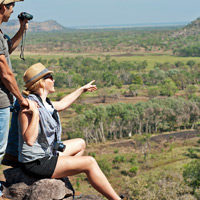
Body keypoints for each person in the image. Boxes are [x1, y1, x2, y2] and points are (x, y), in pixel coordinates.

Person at [18, 63, 123, 200]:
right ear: (41, 83)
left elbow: (62, 104)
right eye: (50, 77)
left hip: (47, 153)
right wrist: (36, 115)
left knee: (80, 143)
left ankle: (62, 174)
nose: (54, 80)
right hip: (36, 162)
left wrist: (82, 89)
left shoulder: (44, 103)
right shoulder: (28, 107)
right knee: (89, 162)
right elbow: (29, 140)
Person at [0, 0, 31, 198]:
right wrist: (20, 98)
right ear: (3, 7)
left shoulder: (1, 34)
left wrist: (22, 29)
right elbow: (5, 73)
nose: (13, 11)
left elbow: (8, 48)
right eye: (11, 7)